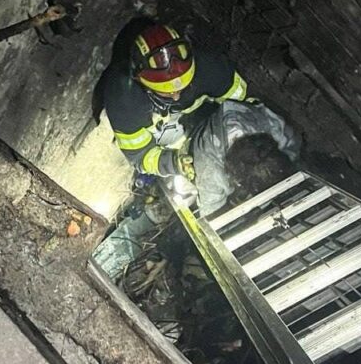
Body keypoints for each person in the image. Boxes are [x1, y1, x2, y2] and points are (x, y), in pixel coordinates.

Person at [101, 21, 299, 217]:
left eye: (182, 86)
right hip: (158, 124)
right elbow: (141, 156)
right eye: (166, 92)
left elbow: (244, 101)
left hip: (200, 118)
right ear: (141, 81)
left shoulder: (210, 69)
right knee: (170, 149)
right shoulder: (125, 102)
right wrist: (173, 162)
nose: (176, 96)